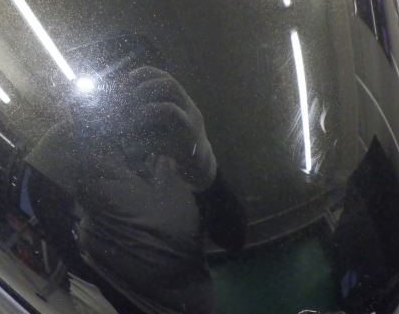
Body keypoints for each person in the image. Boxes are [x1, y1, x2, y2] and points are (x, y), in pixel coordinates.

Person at [27, 66, 246, 313]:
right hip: (111, 295)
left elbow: (233, 239)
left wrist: (199, 159)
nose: (135, 110)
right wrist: (83, 276)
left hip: (191, 306)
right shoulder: (81, 138)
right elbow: (41, 193)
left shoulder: (184, 144)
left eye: (144, 95)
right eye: (122, 95)